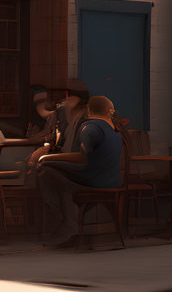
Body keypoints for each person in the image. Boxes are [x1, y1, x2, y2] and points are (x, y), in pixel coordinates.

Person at [37, 94, 123, 247]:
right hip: (112, 179)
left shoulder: (90, 127)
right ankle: (69, 223)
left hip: (92, 180)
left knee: (45, 170)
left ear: (89, 110)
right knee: (58, 178)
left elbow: (83, 158)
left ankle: (67, 224)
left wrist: (49, 158)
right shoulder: (114, 130)